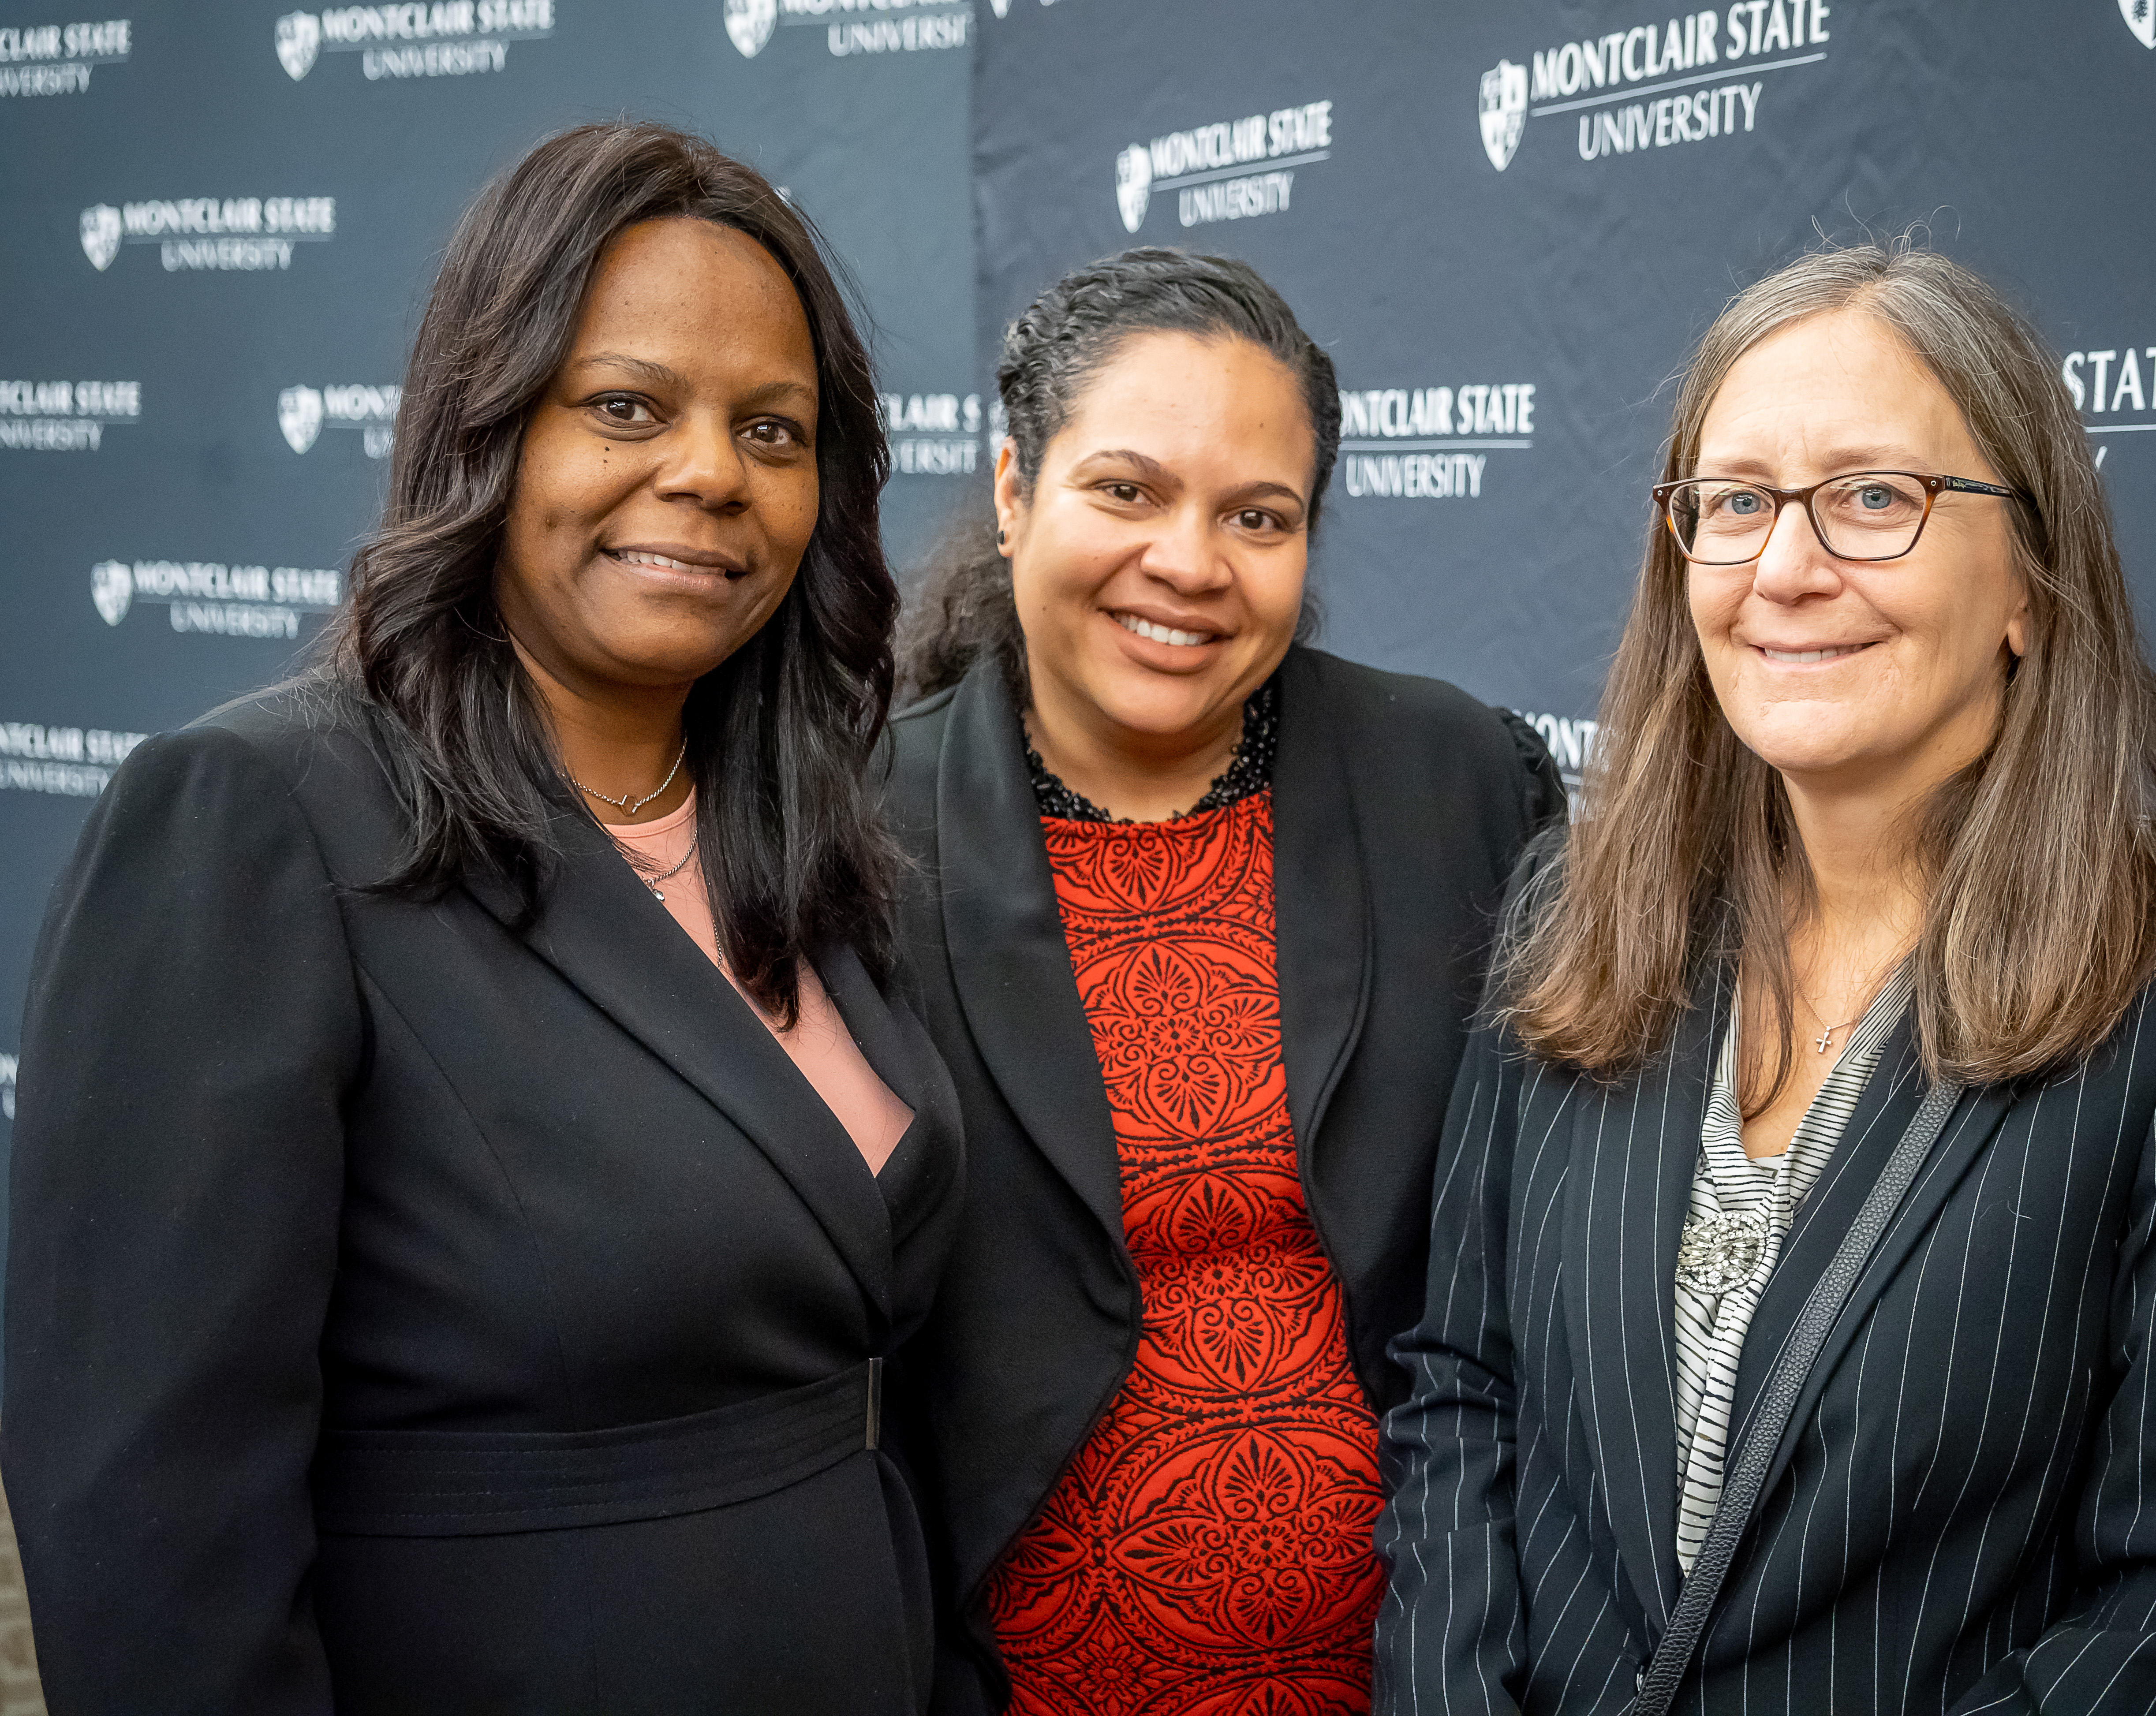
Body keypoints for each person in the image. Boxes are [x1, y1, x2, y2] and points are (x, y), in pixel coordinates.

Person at [4, 122, 961, 1714]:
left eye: (772, 429)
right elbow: (151, 1545)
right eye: (627, 406)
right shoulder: (257, 820)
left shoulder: (811, 835)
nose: (711, 472)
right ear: (485, 423)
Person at [1375, 240, 2156, 1715]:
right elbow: (1462, 1390)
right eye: (1737, 502)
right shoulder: (1575, 907)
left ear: (2029, 582)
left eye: (1874, 497)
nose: (1787, 570)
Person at [885, 247, 1567, 1716]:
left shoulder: (1455, 782)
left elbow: (1548, 1271)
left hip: (1423, 1677)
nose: (1190, 562)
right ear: (1012, 491)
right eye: (1127, 490)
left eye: (1257, 515)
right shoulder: (858, 833)